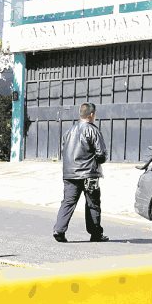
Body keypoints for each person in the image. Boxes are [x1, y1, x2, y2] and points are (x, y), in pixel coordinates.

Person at [53, 102, 109, 243]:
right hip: (88, 174)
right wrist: (98, 161)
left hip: (69, 173)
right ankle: (95, 234)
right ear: (91, 115)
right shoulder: (93, 130)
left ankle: (59, 230)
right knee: (93, 203)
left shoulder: (69, 131)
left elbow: (63, 151)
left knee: (68, 202)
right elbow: (101, 154)